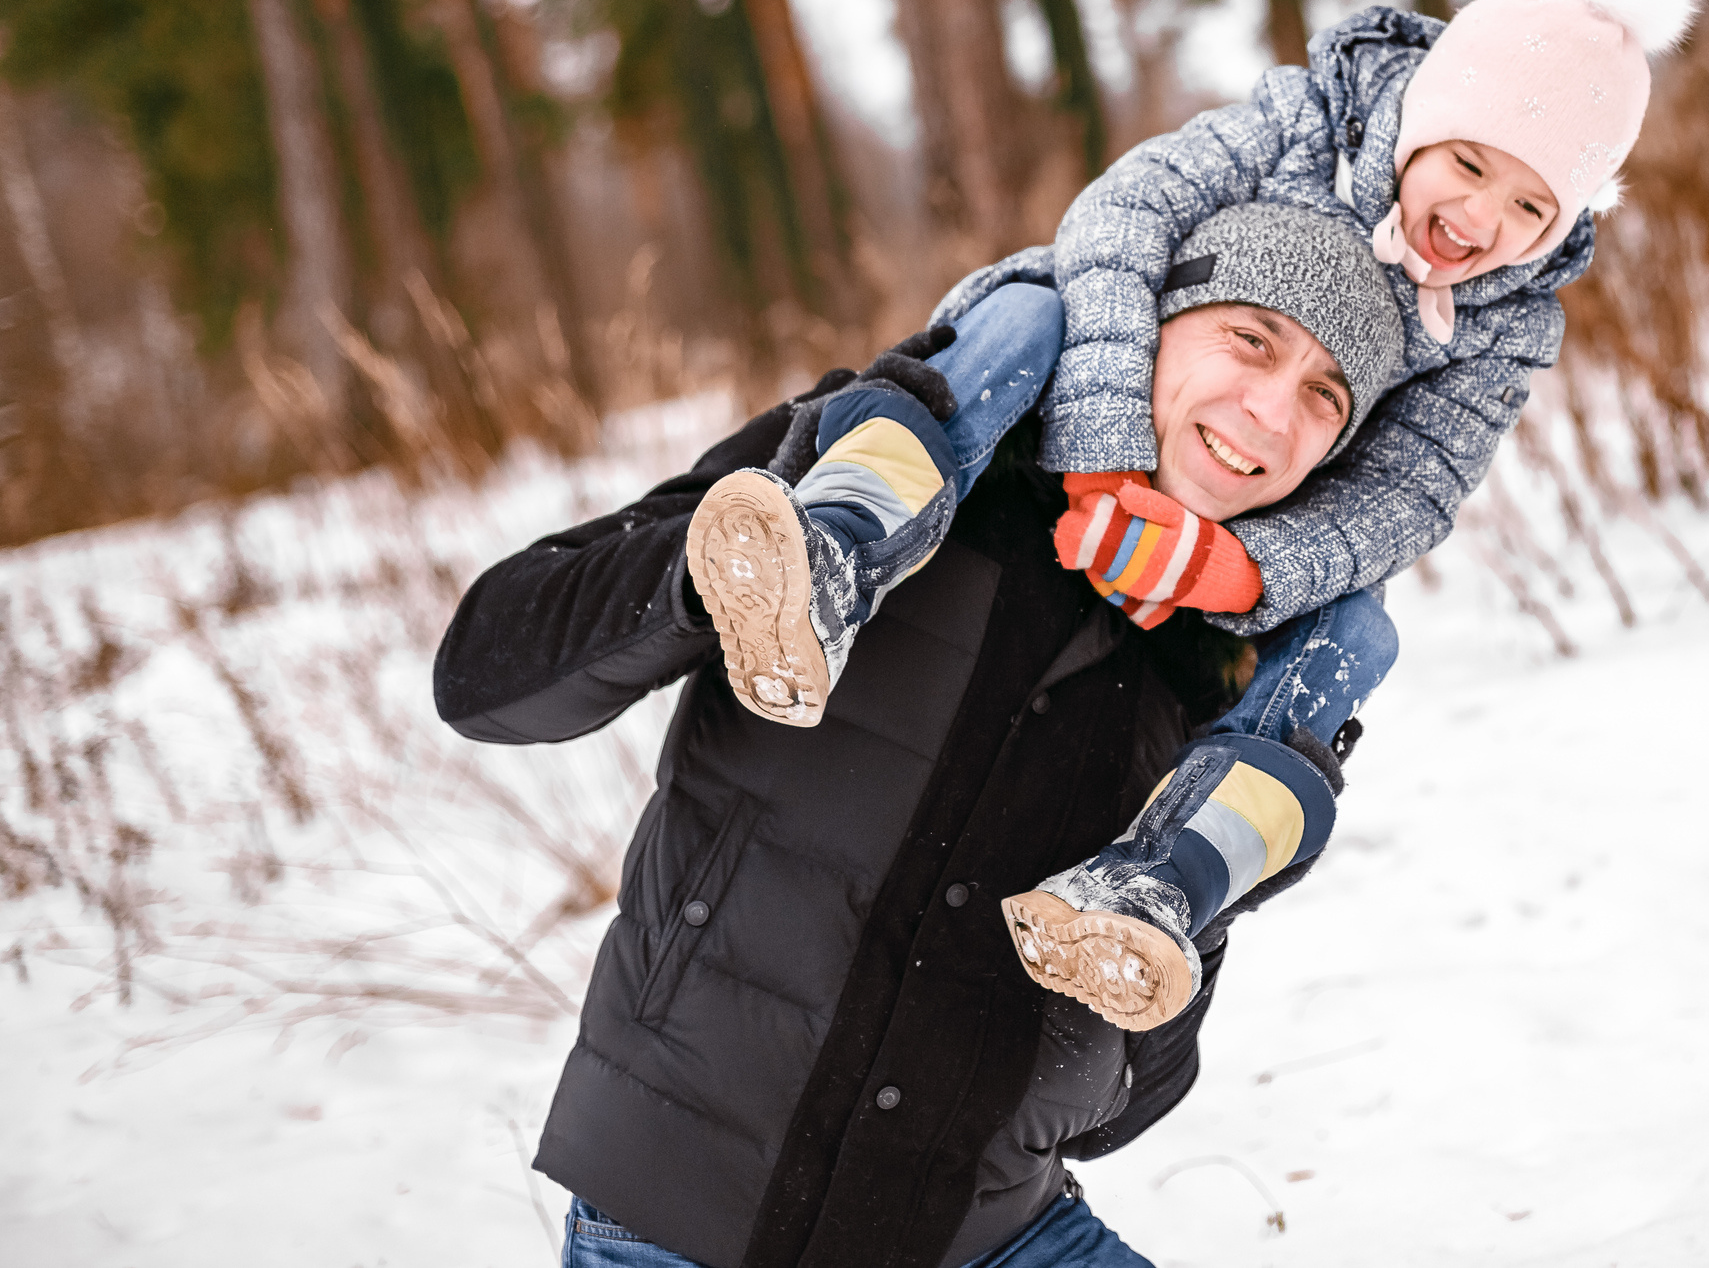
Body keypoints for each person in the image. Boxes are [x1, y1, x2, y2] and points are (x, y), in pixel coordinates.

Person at [687, 0, 1704, 1033]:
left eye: (1530, 207)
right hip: (1090, 371)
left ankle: (1166, 876)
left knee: (1360, 632)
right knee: (1024, 314)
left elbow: (1413, 489)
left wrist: (1238, 568)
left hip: (1259, 504)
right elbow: (1123, 214)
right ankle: (841, 546)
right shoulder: (1305, 121)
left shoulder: (1508, 322)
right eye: (1469, 165)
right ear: (1424, 116)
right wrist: (1104, 446)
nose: (1478, 219)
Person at [435, 210, 1405, 1268]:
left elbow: (1126, 1108)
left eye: (1326, 396)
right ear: (1151, 327)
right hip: (686, 1217)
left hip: (991, 1233)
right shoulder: (896, 459)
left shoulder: (1230, 664)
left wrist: (1191, 910)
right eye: (1250, 339)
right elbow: (487, 672)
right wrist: (737, 570)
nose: (1272, 410)